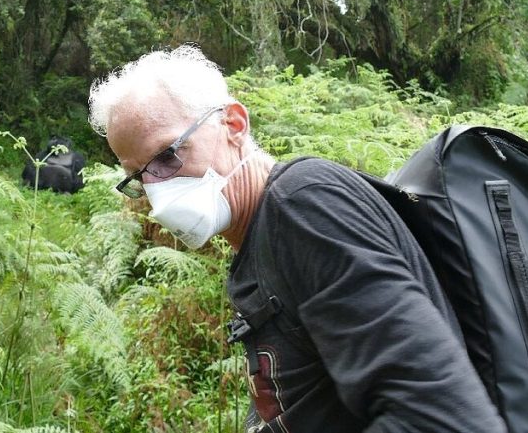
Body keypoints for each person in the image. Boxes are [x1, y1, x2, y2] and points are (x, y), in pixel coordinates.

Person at [88, 44, 506, 433]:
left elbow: (442, 418)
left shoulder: (303, 206)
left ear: (233, 124)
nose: (158, 191)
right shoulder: (259, 239)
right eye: (139, 176)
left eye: (167, 156)